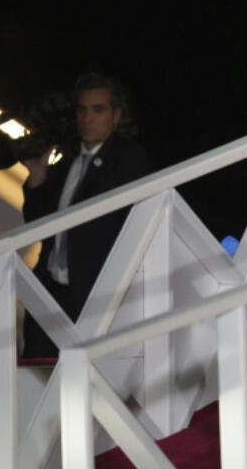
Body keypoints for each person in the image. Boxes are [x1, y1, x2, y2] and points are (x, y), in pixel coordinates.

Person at [20, 72, 152, 356]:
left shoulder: (129, 159)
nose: (87, 118)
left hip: (94, 298)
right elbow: (37, 223)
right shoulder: (66, 158)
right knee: (35, 374)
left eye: (98, 110)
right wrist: (38, 176)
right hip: (51, 291)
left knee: (85, 383)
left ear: (116, 116)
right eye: (81, 110)